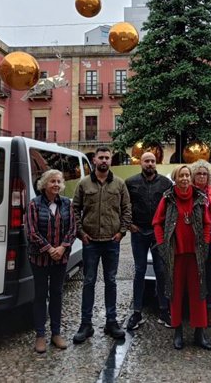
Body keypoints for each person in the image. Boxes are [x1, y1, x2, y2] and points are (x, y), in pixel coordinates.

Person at [72, 146, 132, 344]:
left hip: (111, 242)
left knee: (111, 282)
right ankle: (85, 324)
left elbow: (126, 210)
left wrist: (121, 232)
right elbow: (75, 210)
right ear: (95, 160)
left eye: (107, 157)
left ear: (111, 160)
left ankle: (111, 321)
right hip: (90, 242)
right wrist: (81, 233)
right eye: (101, 158)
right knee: (89, 281)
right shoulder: (83, 184)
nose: (104, 160)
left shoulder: (119, 185)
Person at [153, 165, 211, 350]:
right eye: (182, 175)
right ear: (176, 178)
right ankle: (177, 331)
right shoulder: (168, 198)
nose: (185, 178)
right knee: (175, 293)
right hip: (175, 254)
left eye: (187, 175)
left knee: (199, 293)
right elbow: (157, 222)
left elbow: (207, 223)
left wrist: (204, 243)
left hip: (196, 254)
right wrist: (162, 245)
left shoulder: (200, 198)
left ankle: (199, 333)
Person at [25, 169, 76, 353]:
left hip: (60, 259)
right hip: (39, 259)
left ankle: (56, 333)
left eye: (58, 181)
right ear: (44, 184)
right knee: (40, 295)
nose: (56, 184)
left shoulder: (67, 205)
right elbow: (31, 232)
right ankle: (40, 335)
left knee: (57, 294)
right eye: (52, 181)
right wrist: (49, 249)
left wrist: (62, 248)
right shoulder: (34, 205)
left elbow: (72, 229)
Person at [125, 151, 173, 331]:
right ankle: (137, 312)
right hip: (138, 232)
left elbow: (170, 208)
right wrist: (129, 224)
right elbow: (124, 205)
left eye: (152, 161)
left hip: (158, 233)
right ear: (141, 163)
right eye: (147, 161)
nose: (150, 164)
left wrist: (166, 229)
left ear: (156, 163)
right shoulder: (130, 183)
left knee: (161, 271)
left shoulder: (166, 183)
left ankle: (164, 310)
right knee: (139, 270)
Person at [189, 159, 211, 327]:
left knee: (210, 277)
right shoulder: (187, 192)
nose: (202, 176)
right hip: (193, 243)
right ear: (193, 176)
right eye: (198, 173)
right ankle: (196, 309)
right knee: (195, 277)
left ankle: (210, 309)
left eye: (205, 173)